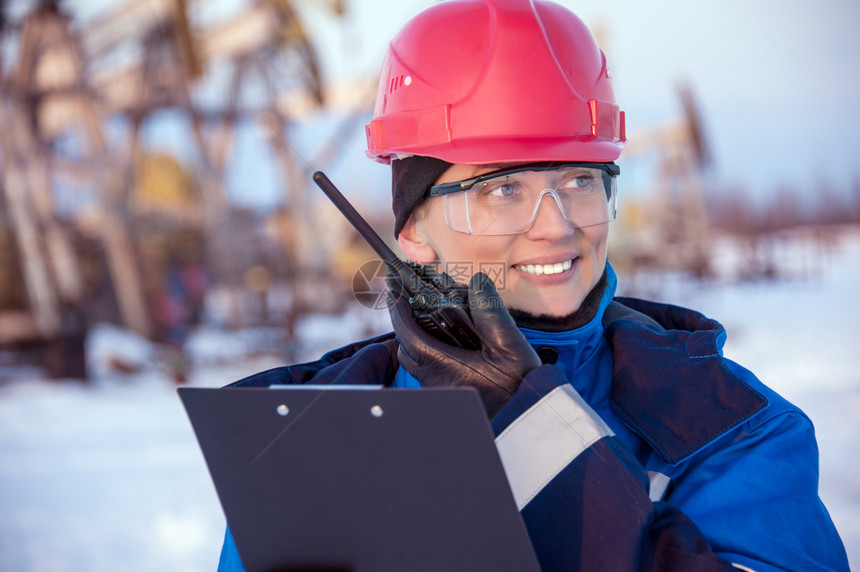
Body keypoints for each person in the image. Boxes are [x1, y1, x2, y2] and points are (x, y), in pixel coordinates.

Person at [217, 0, 850, 570]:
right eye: (502, 189)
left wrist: (536, 434)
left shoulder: (725, 425)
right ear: (411, 229)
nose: (557, 226)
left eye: (579, 180)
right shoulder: (307, 435)